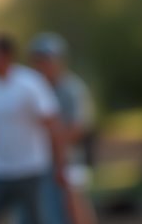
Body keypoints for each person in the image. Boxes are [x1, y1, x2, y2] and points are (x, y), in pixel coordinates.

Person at [0, 34, 67, 224]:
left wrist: (60, 165)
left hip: (31, 171)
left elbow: (54, 126)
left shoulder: (30, 84)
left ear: (5, 56)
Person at [27, 32, 97, 224]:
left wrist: (54, 143)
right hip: (39, 161)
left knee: (75, 206)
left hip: (70, 158)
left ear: (59, 60)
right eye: (38, 60)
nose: (42, 65)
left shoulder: (72, 88)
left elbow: (79, 127)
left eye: (46, 59)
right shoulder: (33, 88)